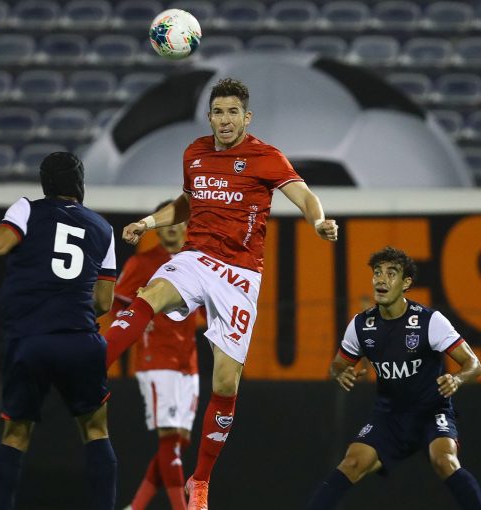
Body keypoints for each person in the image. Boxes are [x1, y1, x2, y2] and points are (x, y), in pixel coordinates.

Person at [102, 77, 339, 510]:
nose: (225, 120)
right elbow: (187, 203)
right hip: (196, 257)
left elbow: (303, 195)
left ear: (246, 117)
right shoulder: (194, 152)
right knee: (152, 293)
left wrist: (319, 221)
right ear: (209, 116)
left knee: (227, 380)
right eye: (218, 112)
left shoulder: (266, 157)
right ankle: (93, 365)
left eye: (233, 113)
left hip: (240, 274)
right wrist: (149, 223)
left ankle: (201, 480)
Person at [0, 152, 118, 510]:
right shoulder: (103, 228)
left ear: (45, 183)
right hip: (80, 340)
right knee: (96, 432)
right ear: (80, 184)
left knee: (16, 435)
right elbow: (105, 302)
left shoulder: (27, 209)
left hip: (31, 339)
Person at [306, 246, 481, 510]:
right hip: (389, 416)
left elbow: (474, 364)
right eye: (377, 272)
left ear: (406, 284)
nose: (381, 279)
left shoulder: (429, 321)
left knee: (445, 461)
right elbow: (336, 365)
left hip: (431, 411)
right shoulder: (361, 325)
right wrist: (340, 372)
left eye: (391, 274)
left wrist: (458, 379)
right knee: (352, 463)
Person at [112, 200, 199, 510]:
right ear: (158, 227)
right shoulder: (143, 263)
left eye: (178, 221)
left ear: (188, 225)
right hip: (156, 358)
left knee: (179, 442)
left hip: (187, 361)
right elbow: (117, 304)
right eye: (167, 222)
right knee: (168, 441)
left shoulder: (195, 261)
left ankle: (135, 507)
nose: (173, 226)